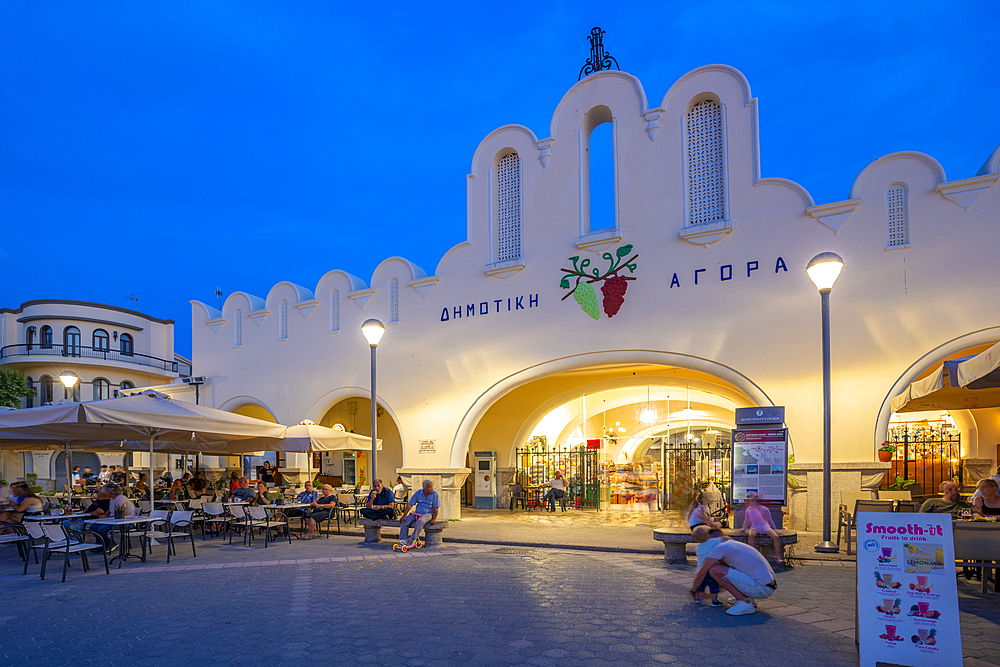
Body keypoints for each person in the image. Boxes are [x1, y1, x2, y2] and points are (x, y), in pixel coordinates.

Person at [690, 529, 777, 616]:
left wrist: (693, 590)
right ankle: (747, 597)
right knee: (724, 567)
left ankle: (744, 602)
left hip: (761, 589)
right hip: (768, 585)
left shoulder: (719, 548)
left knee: (714, 569)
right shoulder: (732, 544)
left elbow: (701, 574)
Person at [742, 493, 783, 566]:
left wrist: (774, 529)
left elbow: (769, 520)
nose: (753, 503)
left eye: (755, 501)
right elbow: (747, 520)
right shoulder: (749, 510)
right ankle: (751, 556)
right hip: (755, 526)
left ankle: (778, 556)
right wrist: (744, 528)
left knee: (776, 537)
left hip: (765, 526)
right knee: (751, 535)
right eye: (752, 501)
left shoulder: (764, 509)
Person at [691, 526, 726, 607]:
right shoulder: (713, 542)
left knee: (701, 586)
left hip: (700, 570)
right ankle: (714, 601)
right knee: (714, 585)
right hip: (710, 569)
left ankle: (699, 599)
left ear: (695, 540)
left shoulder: (698, 547)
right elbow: (724, 539)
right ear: (709, 536)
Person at [399, 480, 440, 547]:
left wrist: (434, 519)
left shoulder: (435, 494)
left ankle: (412, 539)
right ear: (424, 488)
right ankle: (403, 540)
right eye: (429, 487)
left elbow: (436, 508)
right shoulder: (418, 493)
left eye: (432, 487)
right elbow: (410, 504)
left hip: (428, 513)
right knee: (404, 521)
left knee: (420, 521)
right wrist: (404, 515)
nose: (431, 489)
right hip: (417, 513)